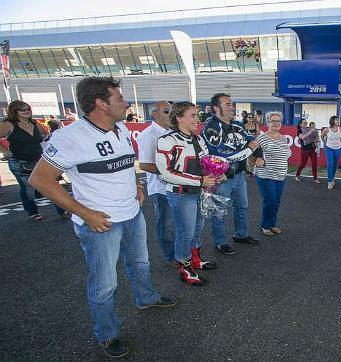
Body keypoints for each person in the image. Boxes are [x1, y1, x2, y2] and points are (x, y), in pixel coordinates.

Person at [28, 77, 176, 358]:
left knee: (140, 263)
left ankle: (146, 298)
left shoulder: (119, 128)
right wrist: (85, 213)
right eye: (120, 98)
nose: (126, 103)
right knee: (104, 282)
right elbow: (40, 179)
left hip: (132, 214)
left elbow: (123, 164)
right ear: (101, 104)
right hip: (100, 223)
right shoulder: (70, 136)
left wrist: (136, 185)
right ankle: (107, 334)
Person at [156, 101, 218, 286]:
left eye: (196, 115)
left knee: (197, 229)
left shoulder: (198, 139)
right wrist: (200, 181)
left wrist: (214, 175)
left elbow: (206, 164)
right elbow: (165, 173)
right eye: (192, 115)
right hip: (181, 195)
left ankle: (195, 260)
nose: (197, 119)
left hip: (198, 192)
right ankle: (184, 268)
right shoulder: (167, 140)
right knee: (185, 232)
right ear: (178, 117)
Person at [201, 93, 263, 255]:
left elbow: (254, 142)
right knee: (219, 211)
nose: (232, 107)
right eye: (227, 104)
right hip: (222, 179)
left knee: (242, 207)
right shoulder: (210, 128)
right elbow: (221, 159)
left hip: (239, 176)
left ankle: (241, 235)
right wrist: (249, 150)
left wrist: (258, 156)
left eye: (232, 104)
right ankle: (220, 242)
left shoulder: (237, 125)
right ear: (216, 108)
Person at [0, 100, 67, 220]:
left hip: (39, 159)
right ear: (15, 112)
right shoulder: (8, 124)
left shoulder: (35, 123)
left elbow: (47, 136)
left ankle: (63, 209)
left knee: (51, 184)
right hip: (20, 161)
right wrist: (5, 151)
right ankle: (32, 211)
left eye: (28, 109)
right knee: (28, 187)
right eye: (23, 109)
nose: (27, 111)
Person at [136, 100, 175, 264]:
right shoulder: (148, 135)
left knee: (180, 222)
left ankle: (181, 252)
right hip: (161, 188)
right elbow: (144, 164)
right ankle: (170, 256)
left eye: (172, 111)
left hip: (178, 186)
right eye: (166, 111)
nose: (171, 115)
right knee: (165, 224)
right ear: (154, 114)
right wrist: (173, 173)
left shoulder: (173, 132)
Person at [254, 112, 292, 236]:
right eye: (273, 121)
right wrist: (259, 158)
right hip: (266, 174)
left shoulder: (283, 138)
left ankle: (272, 224)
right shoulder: (262, 137)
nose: (276, 123)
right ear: (267, 123)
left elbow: (287, 153)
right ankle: (265, 226)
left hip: (280, 175)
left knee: (276, 201)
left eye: (278, 121)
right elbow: (254, 150)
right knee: (270, 200)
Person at [295, 118, 320, 183]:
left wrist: (316, 135)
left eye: (306, 122)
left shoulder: (309, 128)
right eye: (304, 123)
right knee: (303, 164)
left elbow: (315, 136)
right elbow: (303, 137)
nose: (306, 124)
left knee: (314, 164)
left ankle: (315, 178)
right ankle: (297, 175)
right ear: (300, 124)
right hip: (305, 149)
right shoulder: (299, 131)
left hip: (312, 148)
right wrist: (310, 132)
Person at [320, 115, 341, 190]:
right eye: (336, 120)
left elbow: (340, 138)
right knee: (330, 164)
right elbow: (322, 136)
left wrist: (337, 145)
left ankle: (332, 178)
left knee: (335, 165)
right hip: (328, 148)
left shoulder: (340, 129)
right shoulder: (327, 129)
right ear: (332, 121)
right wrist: (325, 142)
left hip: (337, 149)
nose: (338, 121)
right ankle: (329, 181)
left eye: (338, 120)